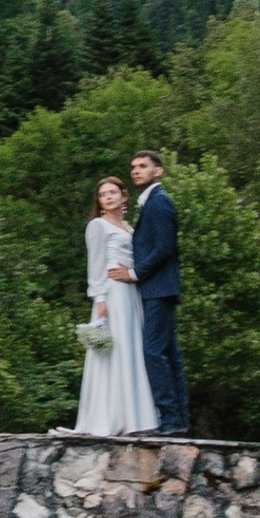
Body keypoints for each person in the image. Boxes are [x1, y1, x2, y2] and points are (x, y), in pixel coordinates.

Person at [105, 148, 188, 435]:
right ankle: (177, 419)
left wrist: (135, 273)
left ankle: (170, 419)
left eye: (142, 166)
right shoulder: (150, 203)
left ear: (159, 170)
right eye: (133, 167)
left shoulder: (160, 202)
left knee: (153, 352)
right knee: (168, 353)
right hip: (158, 288)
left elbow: (165, 248)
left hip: (159, 288)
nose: (136, 170)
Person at [74, 176, 158, 436]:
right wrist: (99, 299)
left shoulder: (128, 227)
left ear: (124, 196)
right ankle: (109, 415)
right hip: (111, 293)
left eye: (113, 192)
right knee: (114, 349)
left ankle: (135, 416)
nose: (108, 197)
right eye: (103, 194)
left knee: (131, 348)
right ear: (99, 202)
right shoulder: (97, 226)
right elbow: (96, 264)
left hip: (130, 293)